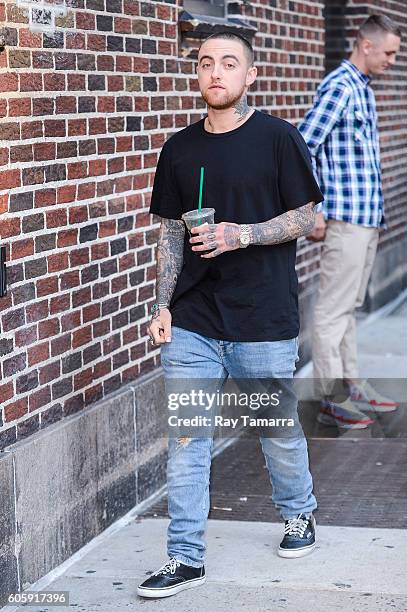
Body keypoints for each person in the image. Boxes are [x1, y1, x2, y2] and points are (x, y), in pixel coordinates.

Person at [137, 31, 323, 599]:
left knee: (276, 431)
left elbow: (308, 217)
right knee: (188, 439)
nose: (216, 72)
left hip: (263, 317)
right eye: (206, 63)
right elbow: (170, 234)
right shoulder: (179, 149)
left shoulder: (278, 139)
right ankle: (185, 556)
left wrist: (241, 233)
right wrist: (163, 305)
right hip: (194, 320)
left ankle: (298, 513)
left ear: (250, 76)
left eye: (229, 63)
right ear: (197, 75)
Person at [298, 15, 401, 429]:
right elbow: (303, 144)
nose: (393, 60)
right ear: (366, 45)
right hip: (345, 220)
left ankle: (353, 385)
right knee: (331, 312)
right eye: (390, 52)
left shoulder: (363, 89)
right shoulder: (340, 86)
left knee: (349, 309)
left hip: (366, 218)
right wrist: (314, 209)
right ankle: (330, 399)